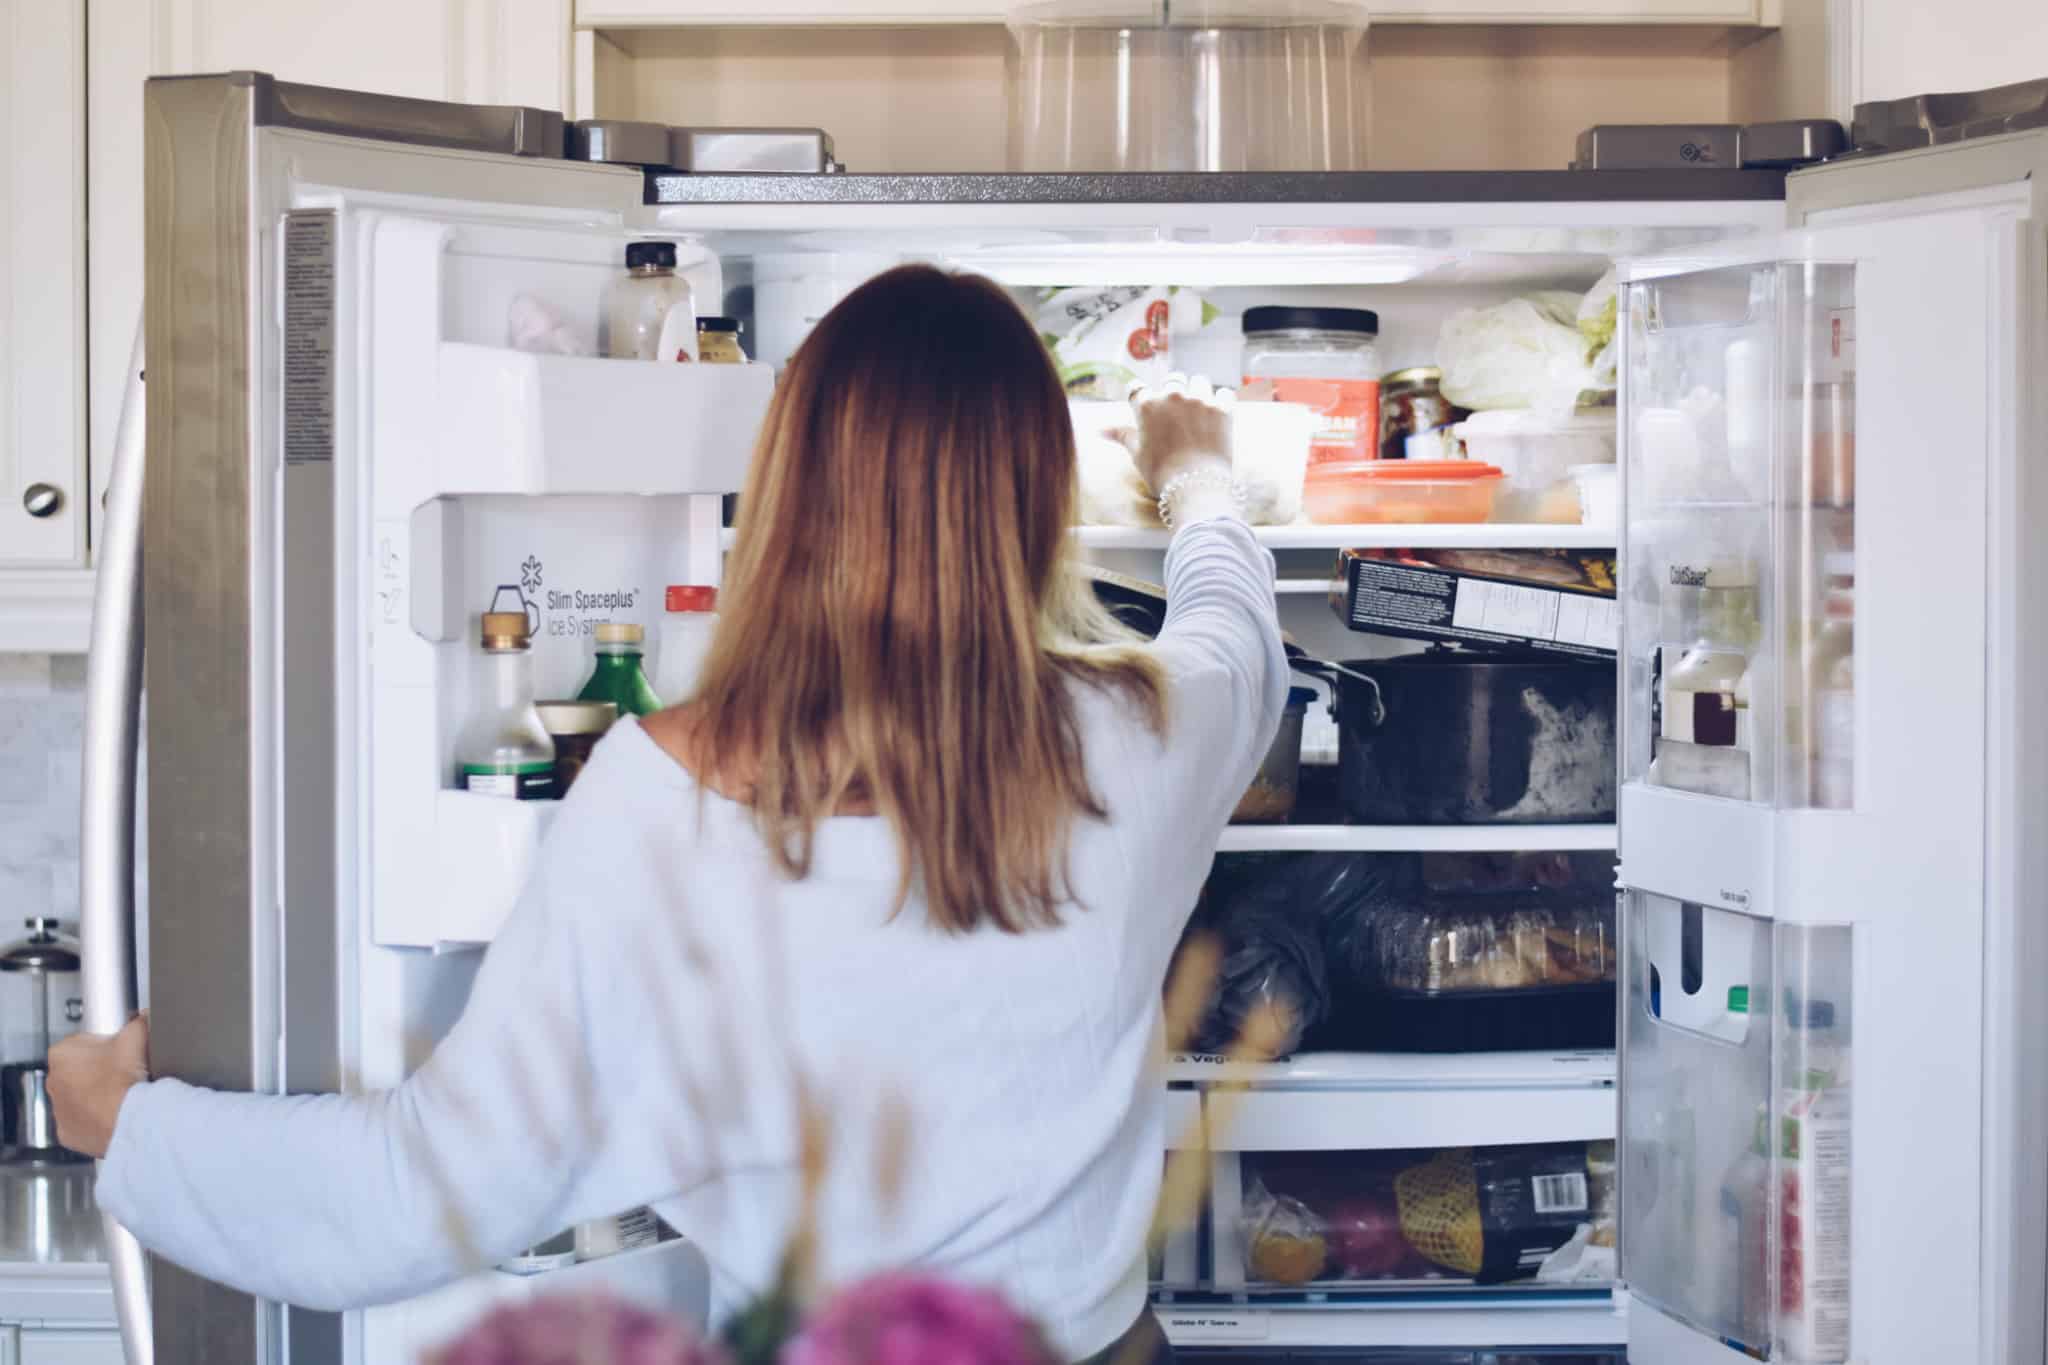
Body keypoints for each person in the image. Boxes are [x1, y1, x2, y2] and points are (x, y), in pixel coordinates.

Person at [50, 266, 1287, 1363]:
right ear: (1035, 496)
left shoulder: (669, 798)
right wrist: (1196, 477)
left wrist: (132, 1127)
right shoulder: (1148, 735)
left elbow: (432, 1190)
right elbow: (1237, 628)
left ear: (790, 484)